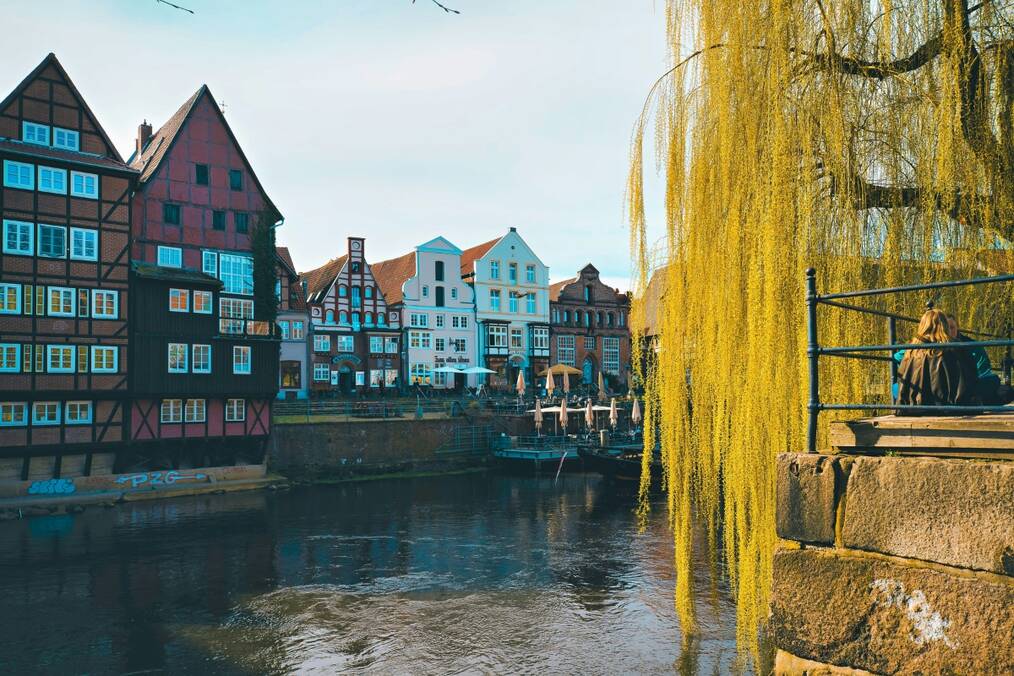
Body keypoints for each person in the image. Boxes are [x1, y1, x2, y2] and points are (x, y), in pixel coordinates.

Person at [895, 309, 979, 414]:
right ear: (944, 326)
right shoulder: (956, 348)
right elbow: (971, 378)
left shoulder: (910, 352)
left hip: (913, 408)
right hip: (950, 408)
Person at [947, 315, 1013, 405]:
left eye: (952, 328)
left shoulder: (972, 345)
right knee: (999, 389)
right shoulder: (938, 347)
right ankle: (978, 401)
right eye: (946, 328)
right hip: (955, 388)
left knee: (1005, 391)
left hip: (973, 383)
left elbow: (983, 371)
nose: (950, 332)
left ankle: (977, 401)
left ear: (957, 327)